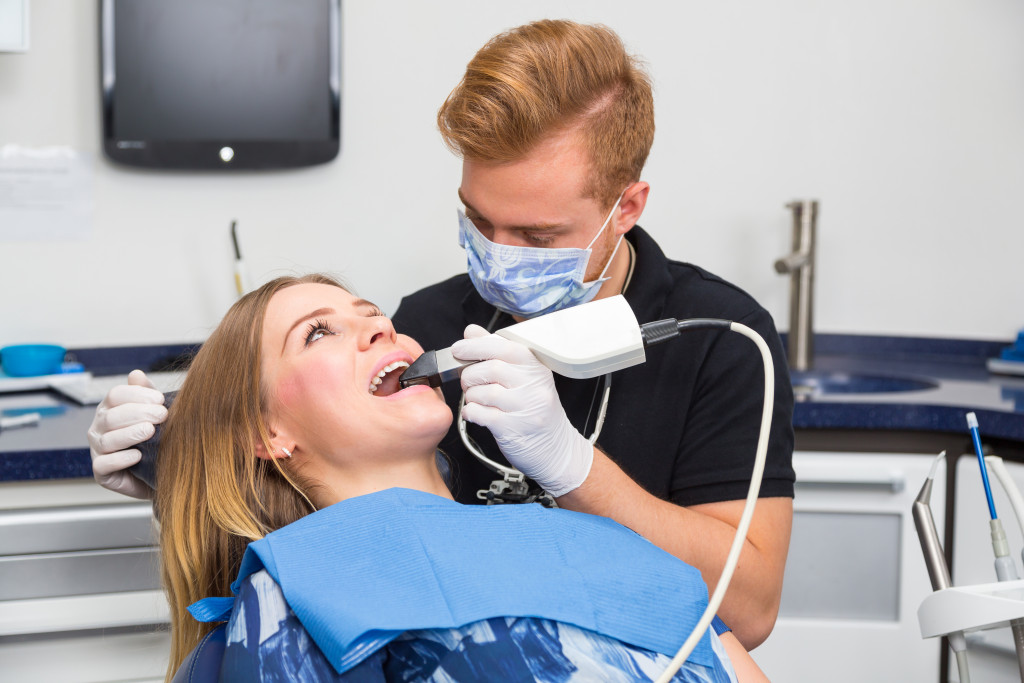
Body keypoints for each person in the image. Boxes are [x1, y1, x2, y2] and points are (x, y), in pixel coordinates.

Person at [89, 20, 794, 649]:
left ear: (626, 206)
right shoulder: (425, 325)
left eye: (537, 235)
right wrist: (177, 463)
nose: (499, 252)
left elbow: (749, 610)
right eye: (478, 220)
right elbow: (321, 485)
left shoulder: (722, 339)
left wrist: (573, 467)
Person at [155, 273, 769, 682]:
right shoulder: (298, 588)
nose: (382, 327)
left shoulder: (611, 542)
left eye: (373, 316)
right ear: (266, 435)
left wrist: (570, 460)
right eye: (318, 333)